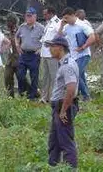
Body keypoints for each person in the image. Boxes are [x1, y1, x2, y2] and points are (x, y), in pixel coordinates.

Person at [45, 36, 79, 168]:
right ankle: (52, 165)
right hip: (60, 105)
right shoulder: (66, 63)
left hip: (63, 106)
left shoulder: (67, 66)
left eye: (52, 47)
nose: (50, 50)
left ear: (60, 48)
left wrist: (64, 110)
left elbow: (70, 89)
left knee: (65, 140)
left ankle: (71, 168)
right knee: (54, 141)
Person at [58, 7, 95, 101]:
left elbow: (92, 37)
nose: (66, 20)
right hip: (73, 56)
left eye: (67, 18)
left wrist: (83, 47)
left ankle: (86, 96)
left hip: (83, 54)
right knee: (80, 75)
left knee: (76, 74)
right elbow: (59, 36)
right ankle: (82, 95)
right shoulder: (67, 27)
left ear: (73, 15)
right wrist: (62, 25)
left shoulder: (82, 25)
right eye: (64, 18)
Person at [15, 7, 45, 99]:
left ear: (35, 16)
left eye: (30, 16)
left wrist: (40, 49)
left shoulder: (41, 28)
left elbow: (46, 40)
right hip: (23, 54)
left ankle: (32, 96)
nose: (28, 18)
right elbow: (16, 36)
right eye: (27, 16)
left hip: (34, 55)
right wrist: (17, 46)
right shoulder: (22, 26)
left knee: (34, 76)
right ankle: (22, 92)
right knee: (20, 74)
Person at [39, 7, 61, 100]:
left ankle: (54, 96)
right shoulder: (49, 23)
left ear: (51, 13)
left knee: (54, 76)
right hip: (44, 53)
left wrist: (53, 43)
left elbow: (61, 35)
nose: (44, 16)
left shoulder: (57, 22)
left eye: (45, 14)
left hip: (52, 54)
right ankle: (44, 97)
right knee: (45, 77)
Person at [3, 16, 19, 97]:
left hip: (19, 58)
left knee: (21, 78)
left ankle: (30, 93)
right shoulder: (7, 33)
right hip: (10, 59)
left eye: (9, 24)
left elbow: (18, 44)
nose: (8, 25)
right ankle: (10, 95)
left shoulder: (19, 32)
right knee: (7, 77)